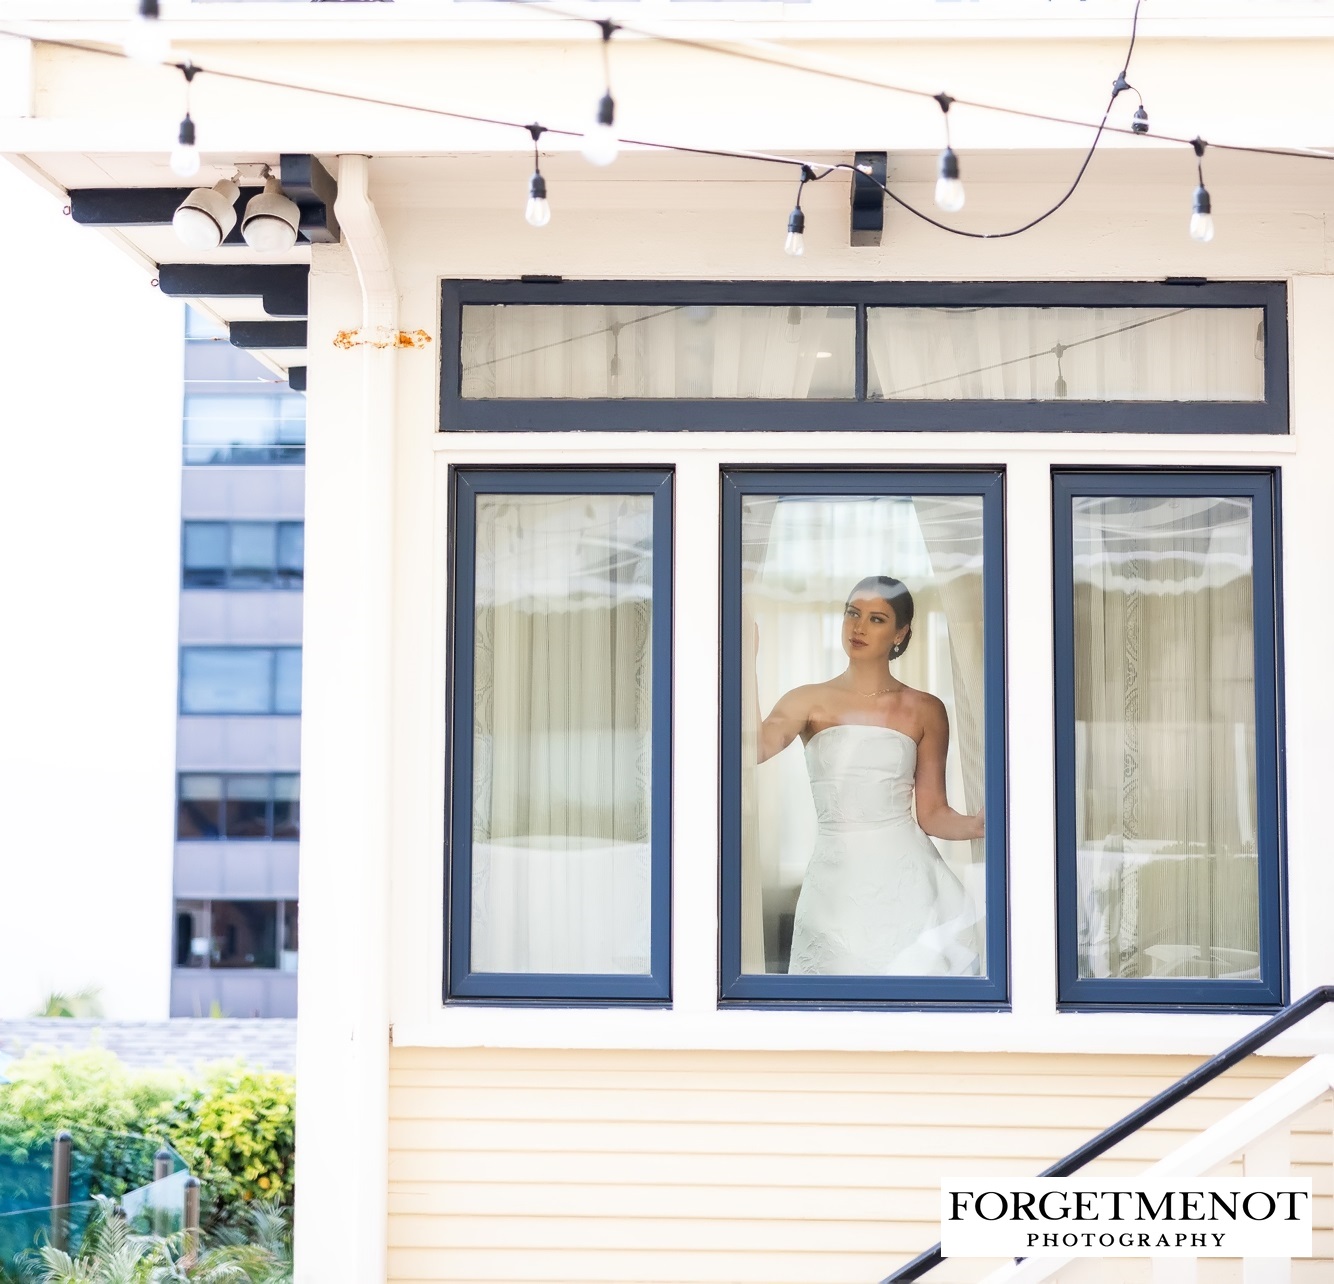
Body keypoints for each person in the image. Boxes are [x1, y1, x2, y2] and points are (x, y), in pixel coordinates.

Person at [757, 575, 983, 976]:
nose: (858, 627)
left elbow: (932, 814)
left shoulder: (925, 708)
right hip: (834, 885)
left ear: (902, 632)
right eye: (852, 613)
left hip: (909, 884)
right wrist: (741, 662)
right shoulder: (807, 699)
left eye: (876, 618)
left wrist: (985, 824)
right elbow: (751, 750)